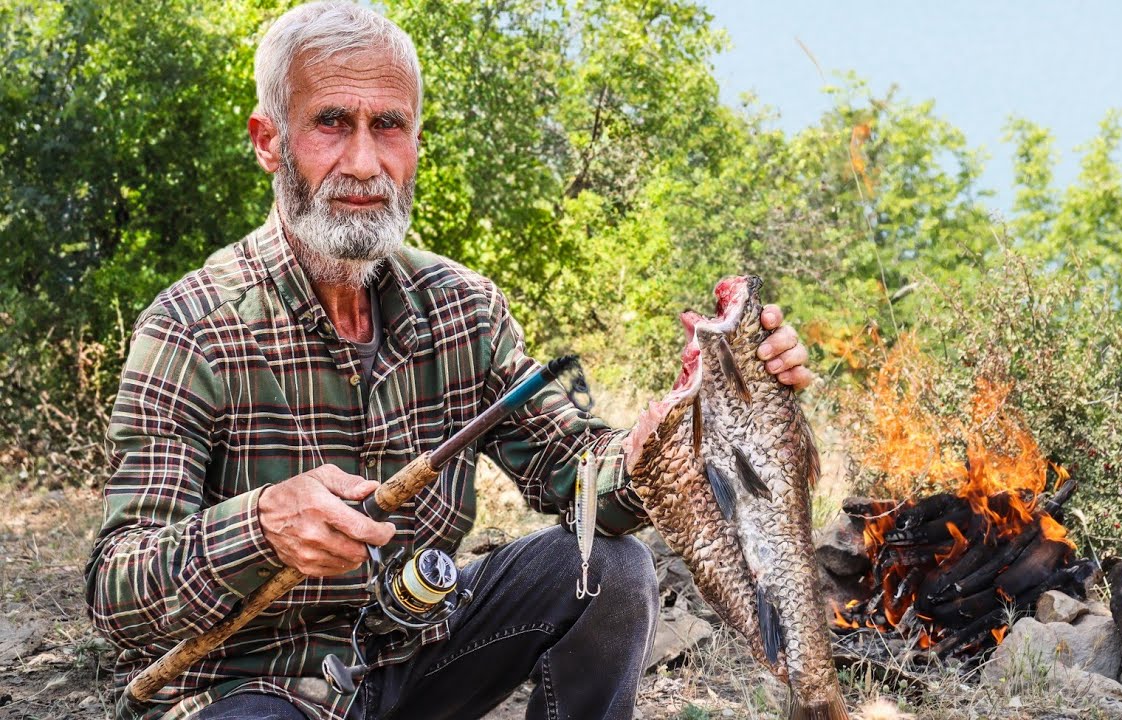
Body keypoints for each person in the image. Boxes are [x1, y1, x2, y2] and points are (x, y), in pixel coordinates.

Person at [84, 3, 814, 719]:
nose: (364, 163)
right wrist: (261, 527)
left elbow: (581, 479)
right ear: (269, 141)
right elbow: (116, 594)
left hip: (421, 657)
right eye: (331, 123)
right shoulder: (188, 330)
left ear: (415, 142)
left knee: (611, 570)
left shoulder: (464, 307)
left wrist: (694, 424)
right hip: (255, 688)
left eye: (388, 126)